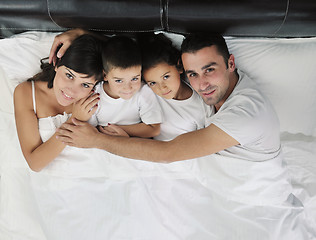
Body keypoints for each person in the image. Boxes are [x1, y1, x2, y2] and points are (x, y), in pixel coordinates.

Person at [14, 34, 104, 172]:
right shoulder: (26, 92)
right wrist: (75, 119)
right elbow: (35, 163)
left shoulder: (97, 94)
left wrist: (80, 31)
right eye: (69, 75)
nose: (72, 91)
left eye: (85, 84)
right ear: (57, 64)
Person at [88, 35, 162, 138]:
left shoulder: (144, 91)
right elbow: (90, 129)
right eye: (119, 80)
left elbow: (154, 129)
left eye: (135, 79)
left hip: (132, 145)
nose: (128, 88)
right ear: (105, 75)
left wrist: (117, 130)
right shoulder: (94, 95)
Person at [139, 32, 206, 141]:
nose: (162, 88)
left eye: (166, 77)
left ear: (179, 67)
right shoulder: (148, 93)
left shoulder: (200, 106)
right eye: (153, 83)